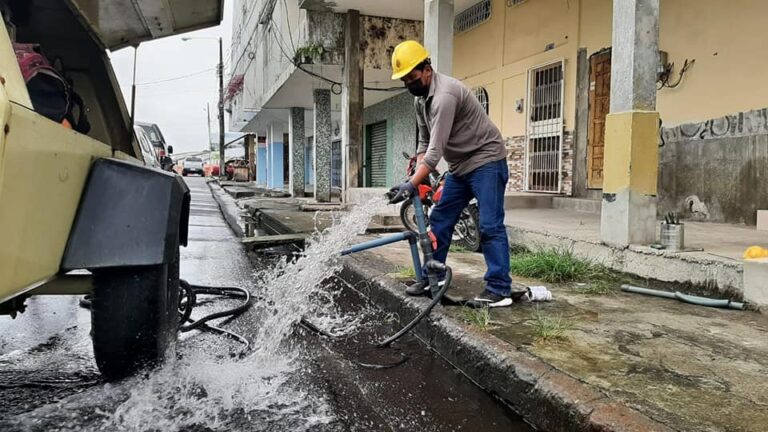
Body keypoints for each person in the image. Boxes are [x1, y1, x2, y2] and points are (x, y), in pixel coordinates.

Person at [388, 40, 512, 308]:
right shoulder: (421, 101)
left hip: (486, 159)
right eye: (405, 80)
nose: (410, 83)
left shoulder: (445, 96)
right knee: (441, 218)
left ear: (427, 69)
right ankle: (433, 277)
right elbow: (423, 144)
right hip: (460, 167)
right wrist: (412, 175)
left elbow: (434, 153)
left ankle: (500, 289)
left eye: (412, 77)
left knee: (489, 225)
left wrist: (411, 184)